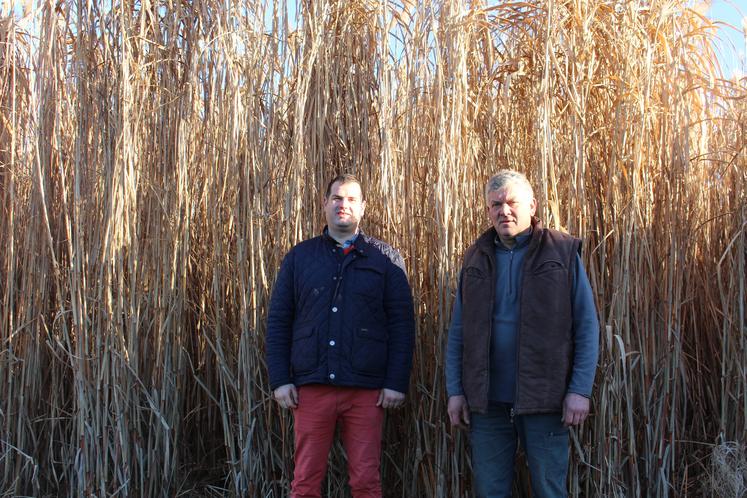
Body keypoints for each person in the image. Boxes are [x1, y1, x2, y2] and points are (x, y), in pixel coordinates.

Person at [446, 170, 599, 498]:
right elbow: (459, 331)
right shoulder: (475, 257)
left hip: (546, 399)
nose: (504, 210)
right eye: (495, 204)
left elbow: (587, 326)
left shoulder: (562, 252)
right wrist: (455, 391)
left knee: (549, 489)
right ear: (488, 210)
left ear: (532, 205)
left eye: (512, 202)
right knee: (490, 491)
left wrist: (580, 390)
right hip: (488, 402)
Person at [266, 173, 415, 498]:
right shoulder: (300, 258)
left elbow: (402, 324)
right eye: (336, 198)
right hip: (312, 388)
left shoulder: (385, 259)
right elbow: (279, 320)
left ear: (362, 207)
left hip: (366, 390)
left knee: (365, 482)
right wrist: (280, 379)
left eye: (350, 199)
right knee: (304, 482)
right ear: (325, 204)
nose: (342, 205)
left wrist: (395, 382)